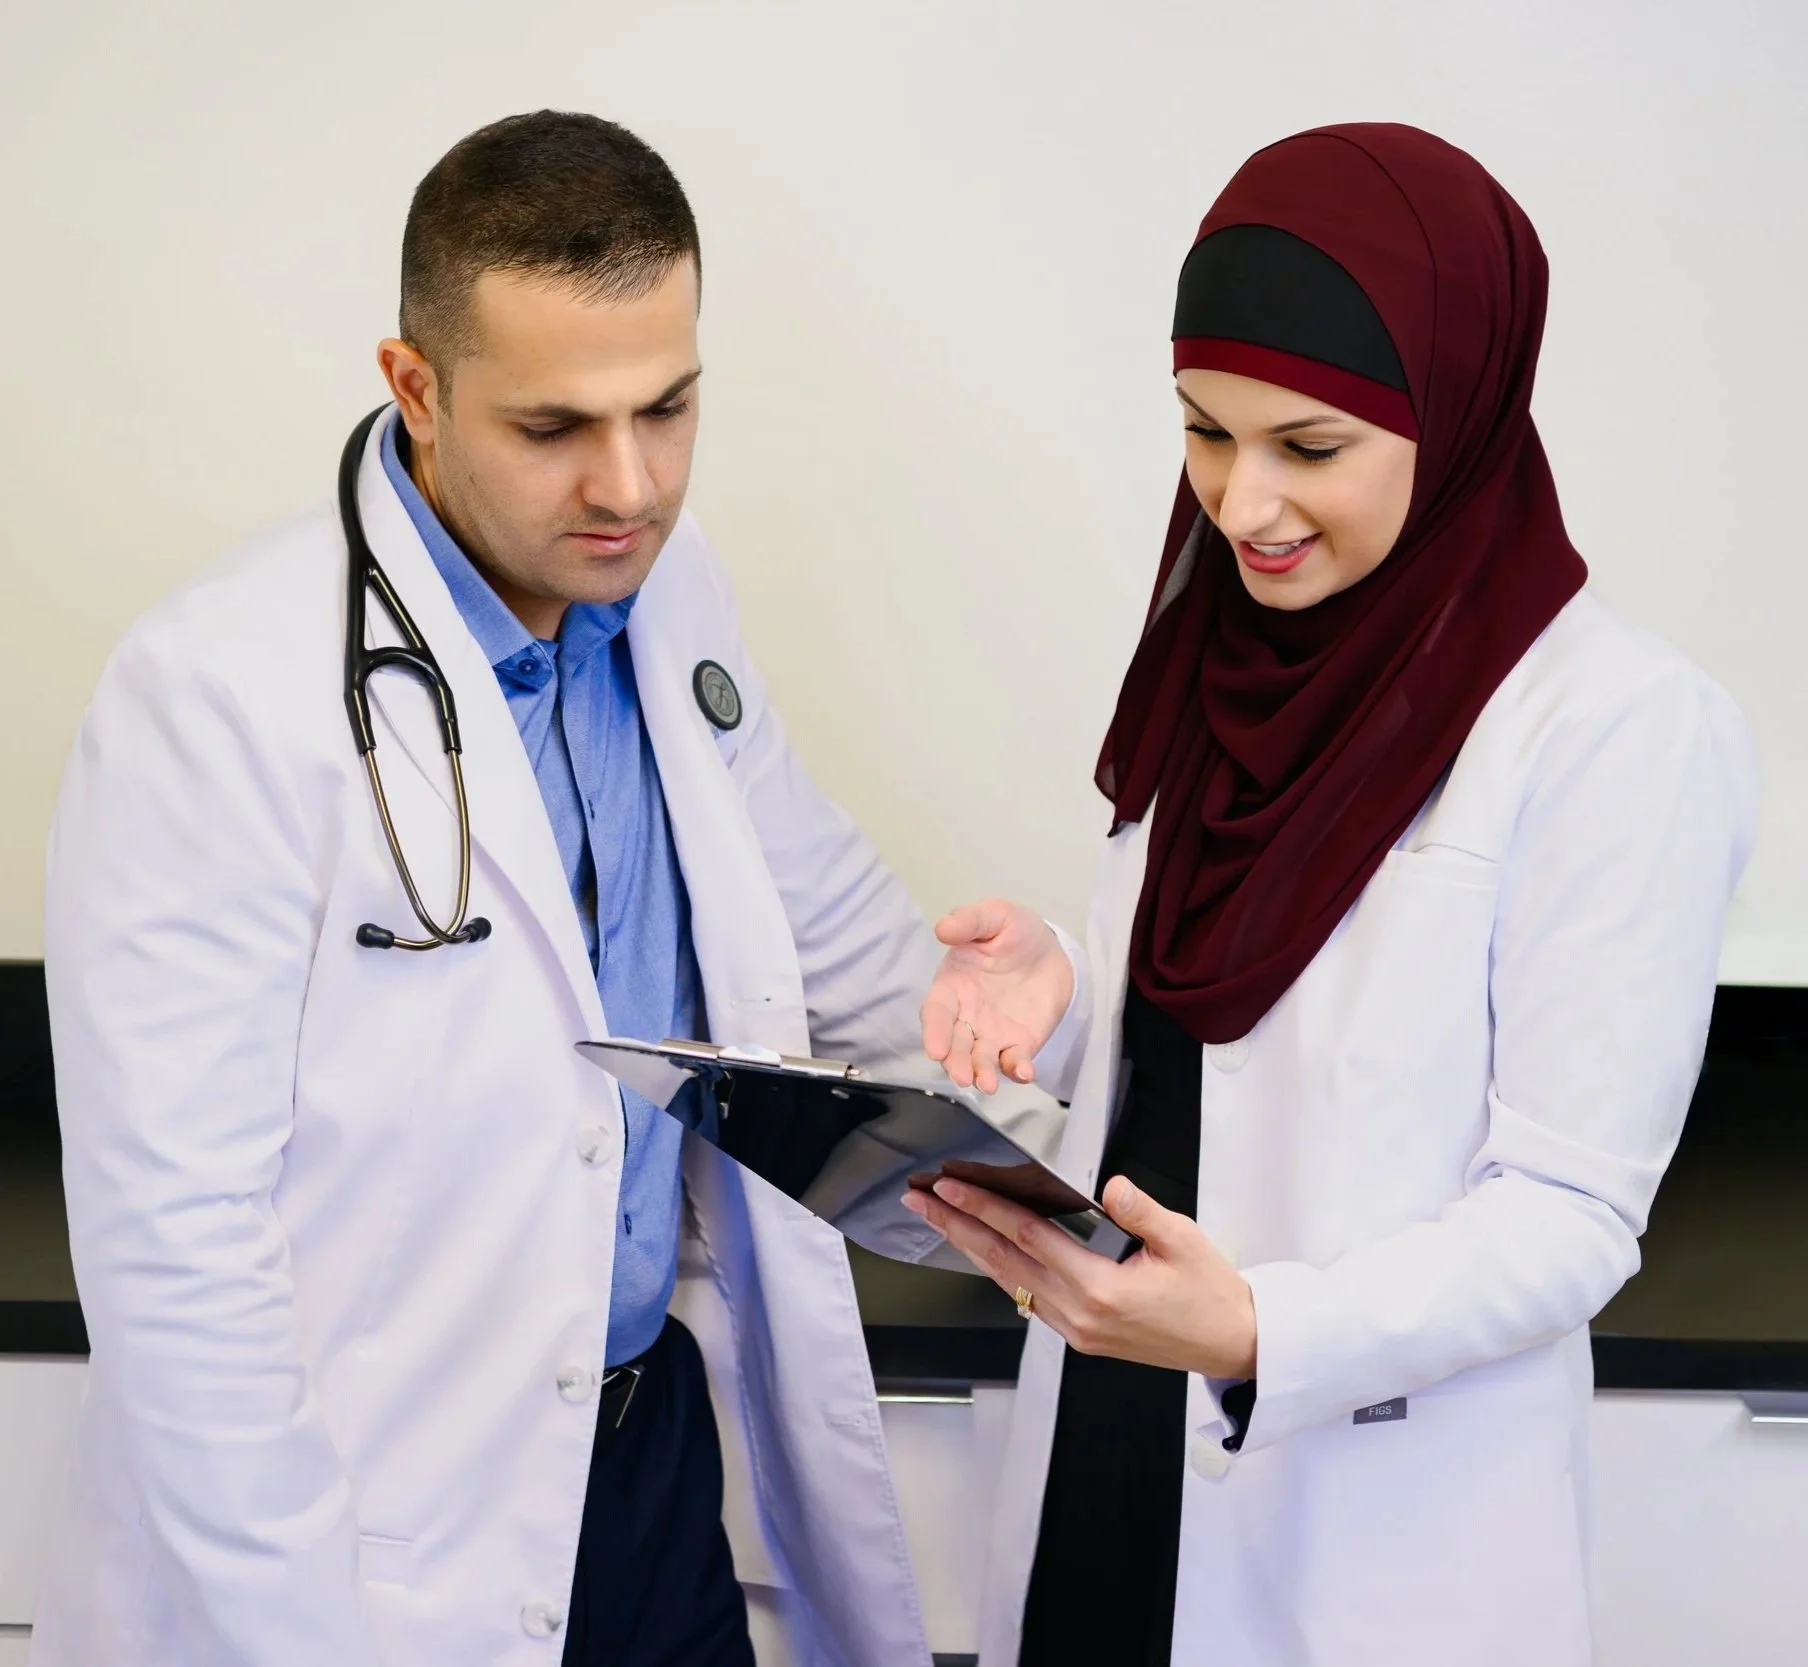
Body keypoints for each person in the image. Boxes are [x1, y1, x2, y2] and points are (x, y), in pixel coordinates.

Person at [34, 110, 986, 1667]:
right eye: (554, 427)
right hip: (369, 1545)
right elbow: (180, 1267)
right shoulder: (214, 696)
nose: (630, 483)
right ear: (415, 388)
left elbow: (834, 946)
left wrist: (1026, 1075)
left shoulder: (668, 592)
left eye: (668, 407)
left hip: (642, 1474)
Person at [910, 123, 1758, 1667]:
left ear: (1457, 409)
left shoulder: (1616, 728)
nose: (1243, 505)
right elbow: (1229, 1024)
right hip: (1114, 1440)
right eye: (1203, 432)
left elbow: (1570, 1216)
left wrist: (1259, 1333)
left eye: (1309, 448)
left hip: (1356, 1512)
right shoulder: (1219, 652)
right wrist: (1076, 988)